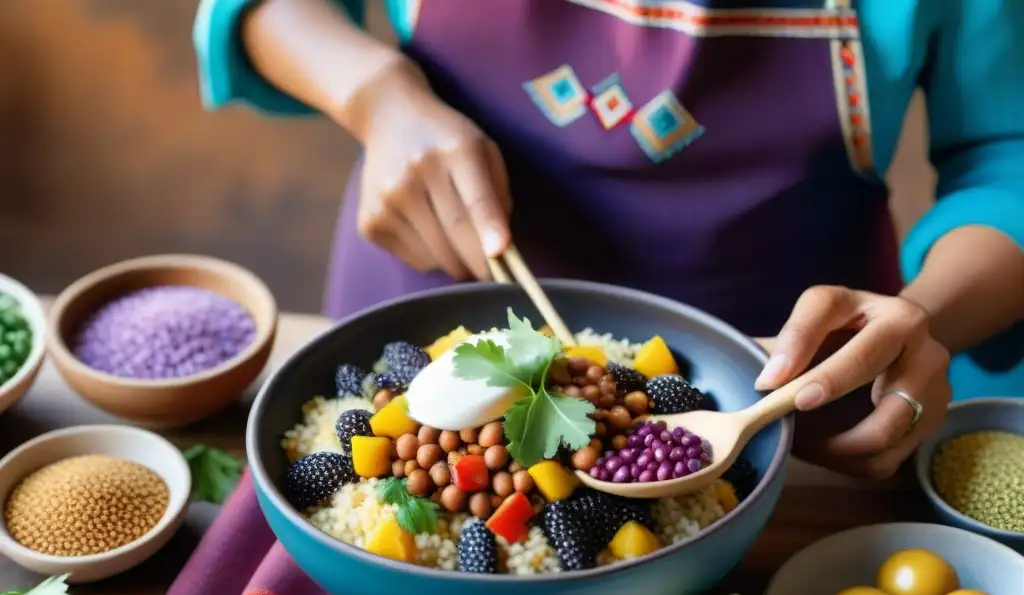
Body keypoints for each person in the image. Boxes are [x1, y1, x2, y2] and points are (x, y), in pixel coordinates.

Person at [193, 0, 1024, 479]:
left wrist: (923, 315)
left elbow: (1007, 153)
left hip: (779, 389)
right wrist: (375, 96)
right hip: (422, 312)